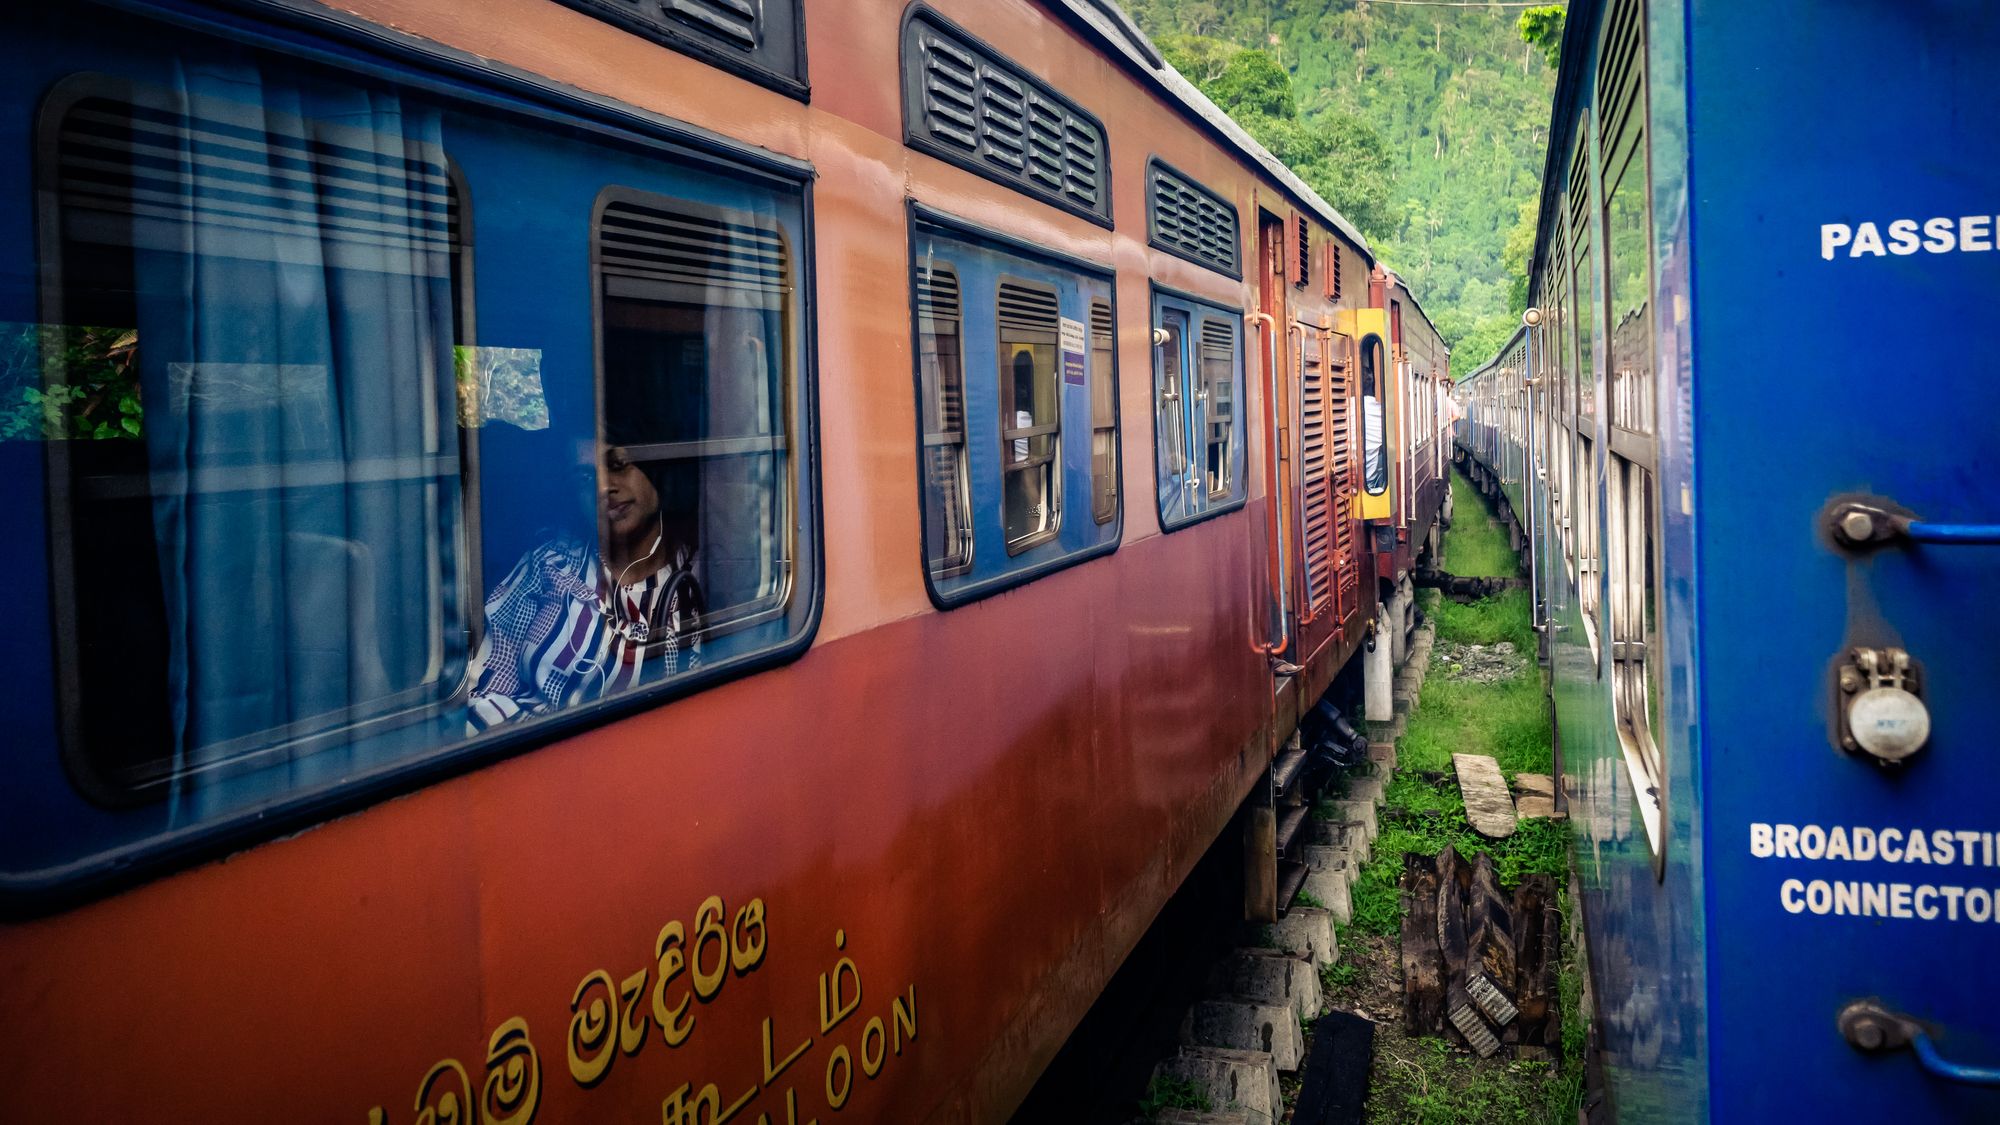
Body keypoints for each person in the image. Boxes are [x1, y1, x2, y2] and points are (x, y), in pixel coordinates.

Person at [467, 444, 702, 731]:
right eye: (585, 478)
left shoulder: (700, 580)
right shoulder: (552, 561)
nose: (603, 487)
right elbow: (488, 673)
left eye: (618, 464)